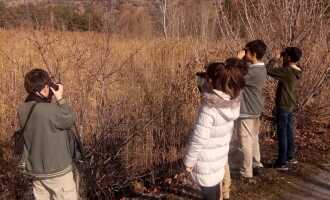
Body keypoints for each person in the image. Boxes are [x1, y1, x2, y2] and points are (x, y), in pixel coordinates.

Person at [184, 58, 248, 200]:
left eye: (208, 78)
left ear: (211, 81)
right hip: (219, 157)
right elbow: (210, 90)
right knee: (215, 190)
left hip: (206, 161)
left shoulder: (209, 109)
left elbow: (198, 139)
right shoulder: (231, 102)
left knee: (210, 194)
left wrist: (189, 162)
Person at [17, 69, 77, 200]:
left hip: (37, 173)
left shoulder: (22, 110)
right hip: (58, 173)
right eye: (47, 86)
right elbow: (69, 119)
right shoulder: (48, 110)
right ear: (44, 88)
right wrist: (60, 97)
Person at [266, 47, 303, 170]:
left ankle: (282, 162)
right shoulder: (297, 71)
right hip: (290, 104)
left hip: (283, 104)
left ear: (288, 57)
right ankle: (290, 156)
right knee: (288, 131)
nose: (283, 57)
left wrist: (275, 58)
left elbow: (268, 70)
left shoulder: (287, 71)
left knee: (282, 133)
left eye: (285, 55)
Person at [236, 39, 267, 179]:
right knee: (253, 138)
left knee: (245, 142)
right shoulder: (261, 68)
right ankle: (256, 163)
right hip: (255, 108)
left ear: (253, 54)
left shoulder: (253, 71)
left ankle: (246, 172)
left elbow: (234, 76)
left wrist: (237, 59)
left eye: (246, 51)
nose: (244, 52)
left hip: (247, 109)